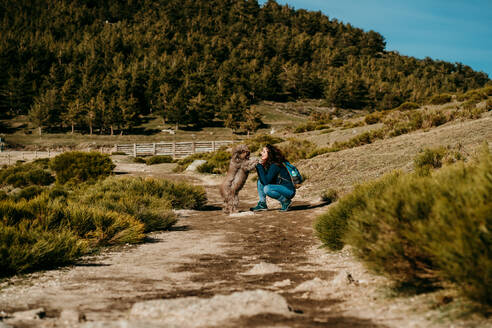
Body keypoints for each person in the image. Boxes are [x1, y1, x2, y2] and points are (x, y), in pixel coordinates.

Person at [250, 144, 295, 212]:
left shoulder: (275, 165)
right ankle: (262, 204)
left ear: (270, 154)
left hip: (289, 190)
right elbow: (263, 179)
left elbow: (266, 182)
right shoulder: (270, 164)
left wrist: (259, 166)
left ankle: (286, 201)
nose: (261, 153)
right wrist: (258, 166)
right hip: (281, 187)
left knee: (267, 189)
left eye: (264, 152)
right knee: (260, 181)